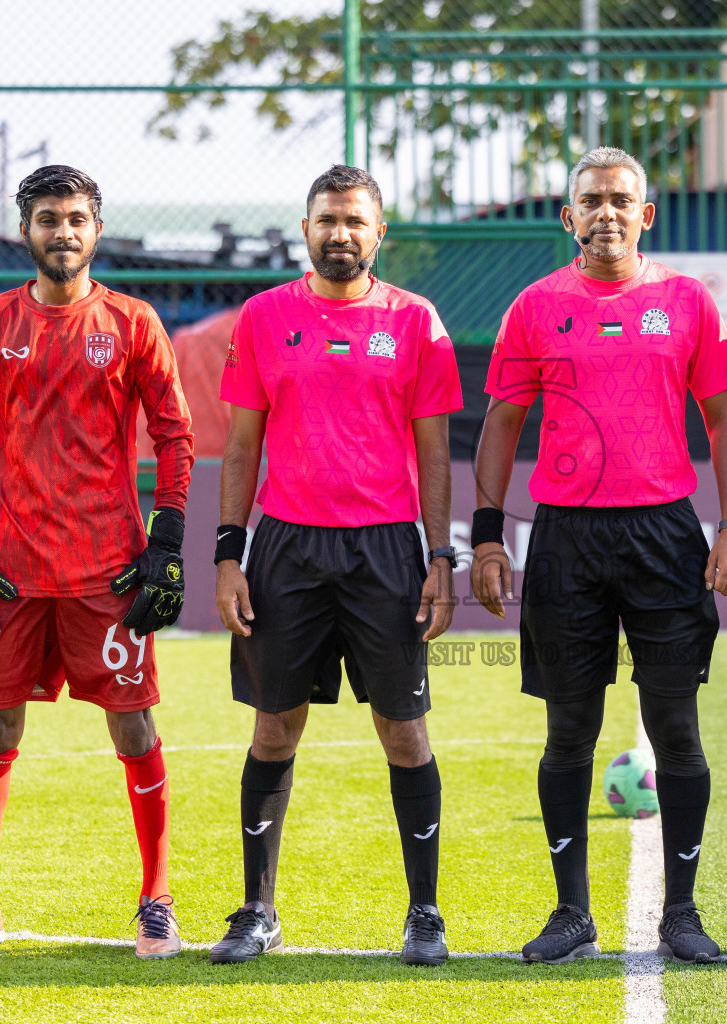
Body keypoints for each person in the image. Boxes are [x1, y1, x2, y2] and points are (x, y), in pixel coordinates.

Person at [471, 146, 727, 964]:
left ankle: (684, 913)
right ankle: (571, 914)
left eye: (621, 200)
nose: (606, 213)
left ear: (646, 214)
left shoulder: (686, 303)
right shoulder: (534, 307)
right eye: (591, 200)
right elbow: (500, 424)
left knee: (677, 730)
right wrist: (487, 534)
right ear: (568, 216)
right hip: (566, 537)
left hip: (665, 533)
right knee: (569, 733)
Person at [0, 165, 194, 960]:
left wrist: (167, 544)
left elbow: (174, 435)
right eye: (48, 218)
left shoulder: (133, 322)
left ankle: (155, 898)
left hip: (105, 568)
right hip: (11, 571)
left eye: (77, 218)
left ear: (97, 229)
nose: (63, 232)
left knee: (132, 725)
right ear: (26, 231)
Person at [209, 165, 462, 967]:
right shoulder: (263, 317)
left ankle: (424, 913)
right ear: (306, 228)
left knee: (405, 734)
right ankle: (257, 910)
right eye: (327, 220)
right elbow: (241, 445)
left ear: (378, 232)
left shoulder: (415, 321)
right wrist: (228, 553)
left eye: (355, 220)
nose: (340, 233)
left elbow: (433, 453)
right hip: (285, 545)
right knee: (274, 728)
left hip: (386, 548)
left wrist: (441, 556)